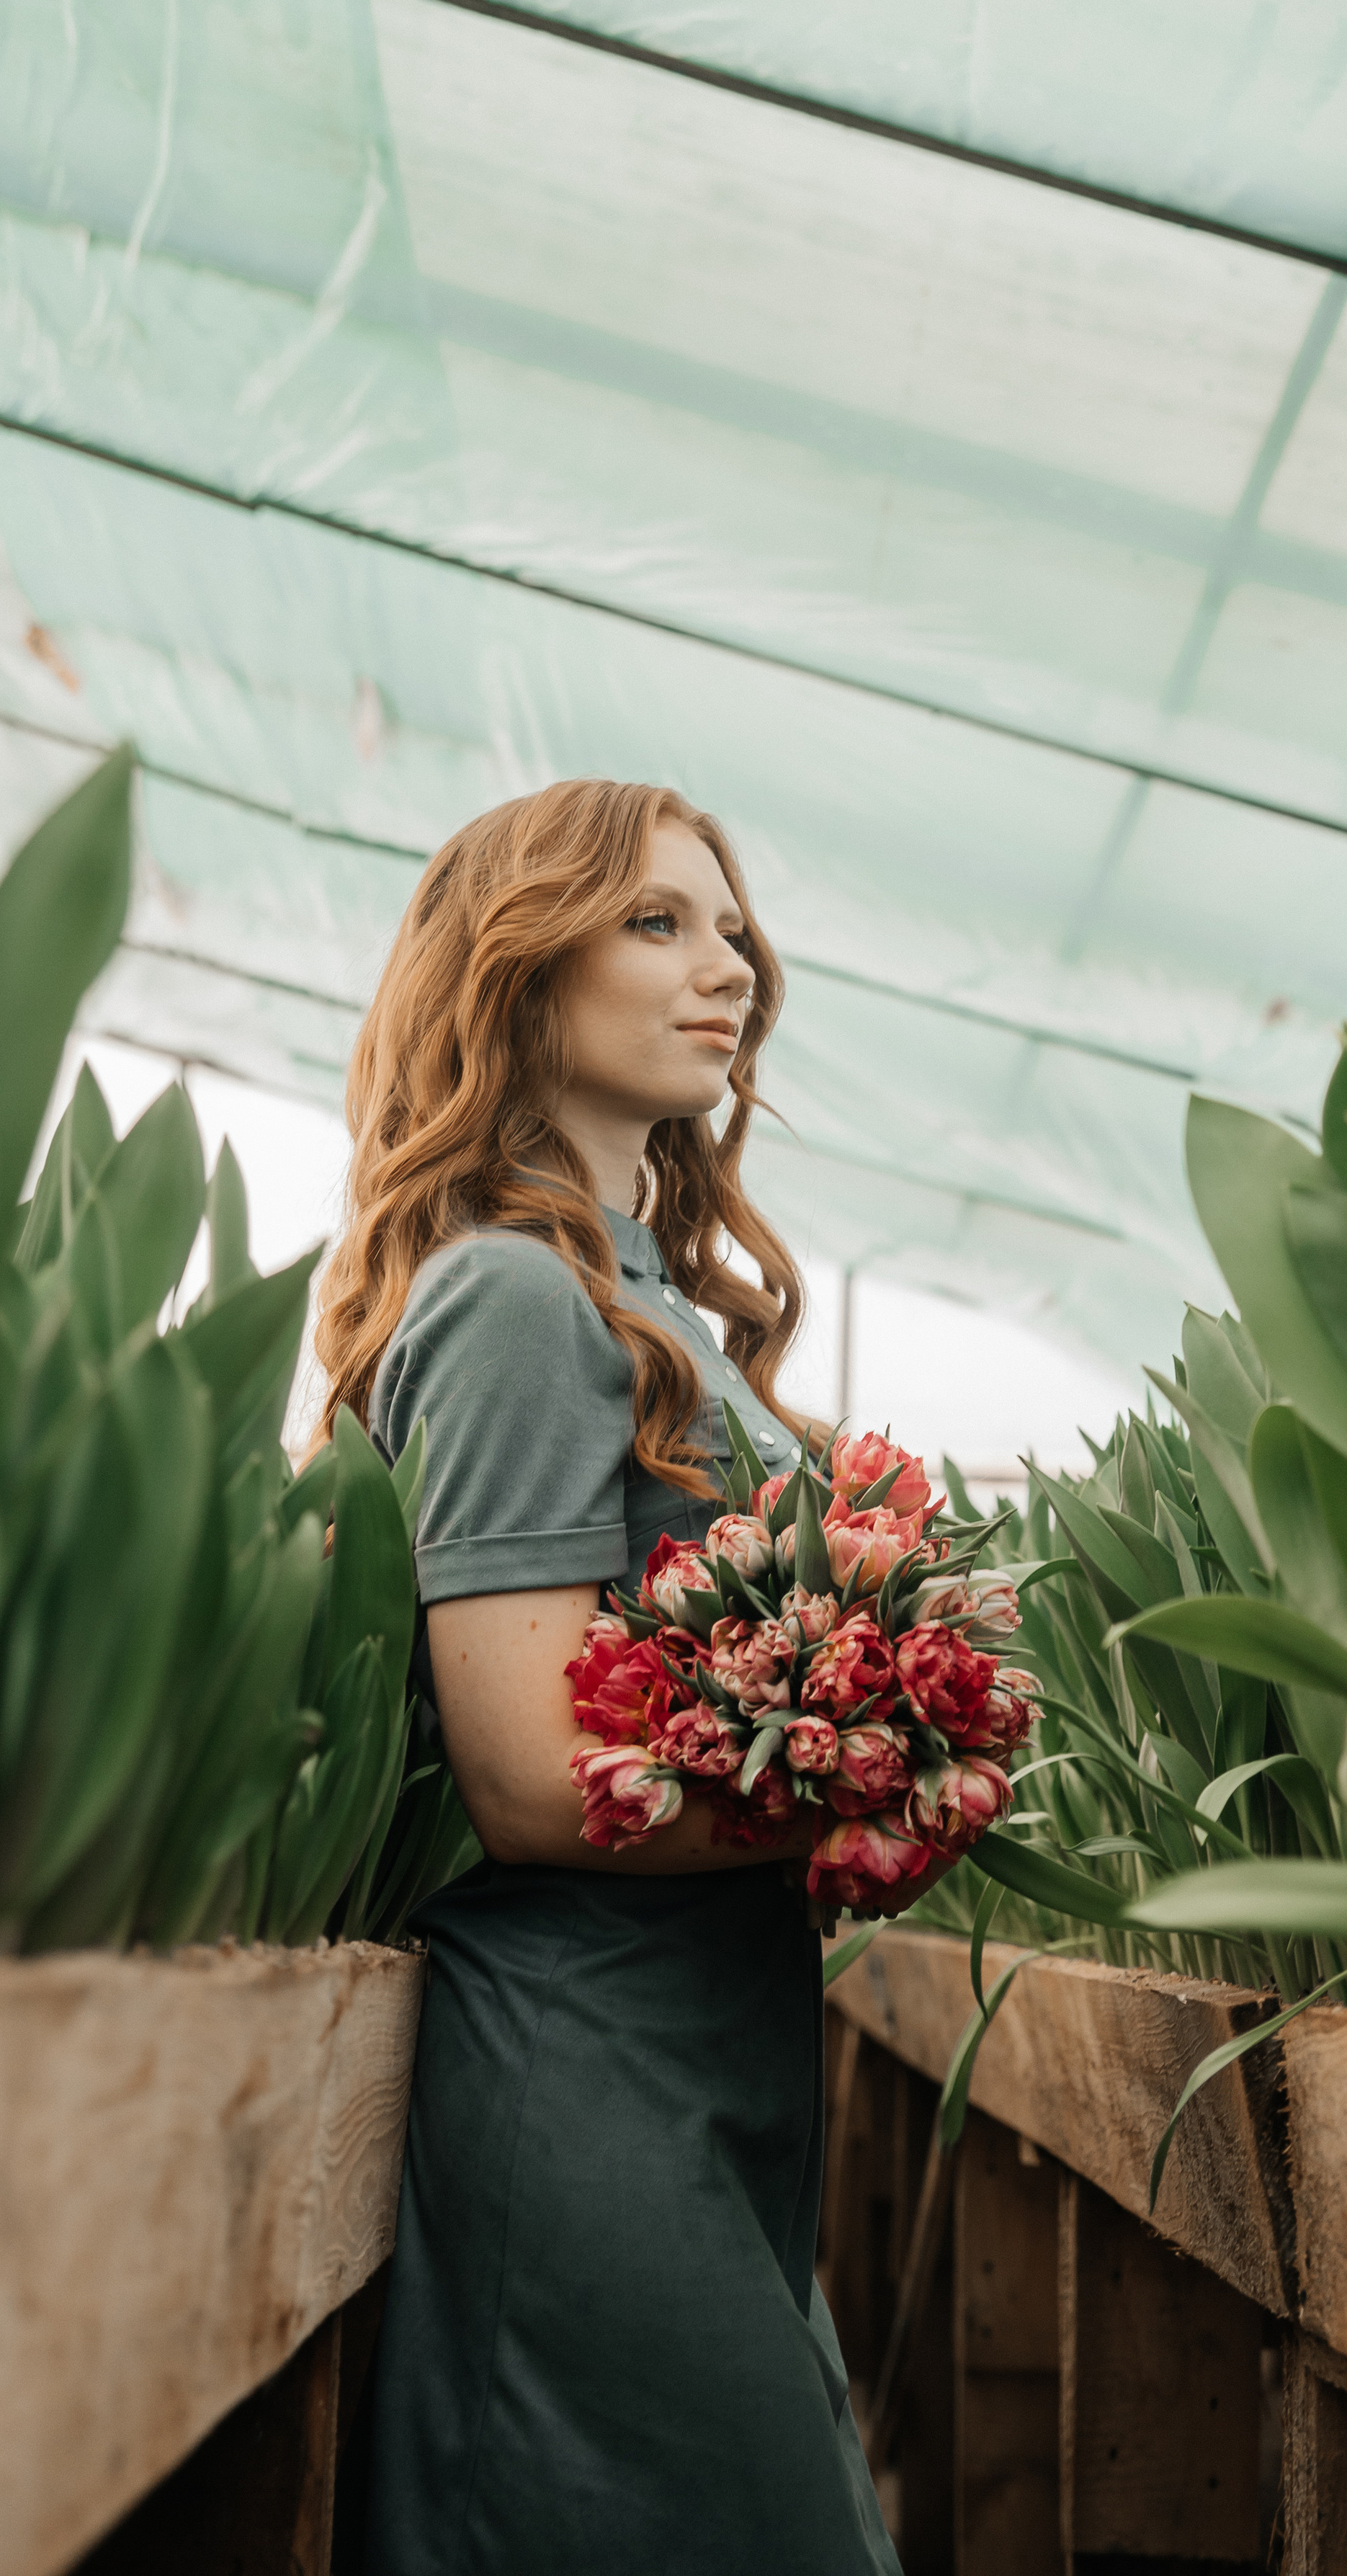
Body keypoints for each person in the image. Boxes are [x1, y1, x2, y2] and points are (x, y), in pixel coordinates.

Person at [313, 780, 931, 2574]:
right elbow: (524, 1773)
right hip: (581, 2079)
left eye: (728, 924)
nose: (724, 962)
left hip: (712, 2067)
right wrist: (867, 1783)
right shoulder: (511, 1298)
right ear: (516, 976)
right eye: (653, 924)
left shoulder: (657, 1306)